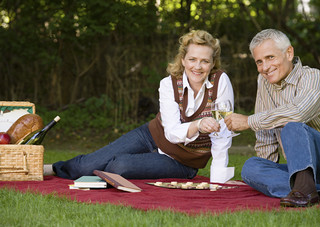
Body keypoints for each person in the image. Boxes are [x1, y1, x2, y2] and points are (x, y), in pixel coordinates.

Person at [47, 30, 235, 183]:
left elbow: (222, 134)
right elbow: (171, 132)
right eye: (192, 59)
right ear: (183, 60)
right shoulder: (168, 84)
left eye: (205, 61)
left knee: (118, 167)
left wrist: (217, 181)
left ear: (212, 64)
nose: (198, 66)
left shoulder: (221, 82)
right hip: (151, 135)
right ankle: (52, 169)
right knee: (86, 166)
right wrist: (198, 125)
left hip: (182, 161)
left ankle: (110, 171)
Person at [224, 28, 320, 207]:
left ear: (289, 53)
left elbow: (297, 113)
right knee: (251, 167)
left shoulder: (314, 78)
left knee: (293, 126)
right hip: (305, 170)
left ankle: (305, 190)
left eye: (270, 57)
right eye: (259, 62)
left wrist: (249, 121)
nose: (265, 67)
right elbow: (265, 136)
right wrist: (266, 171)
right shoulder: (264, 81)